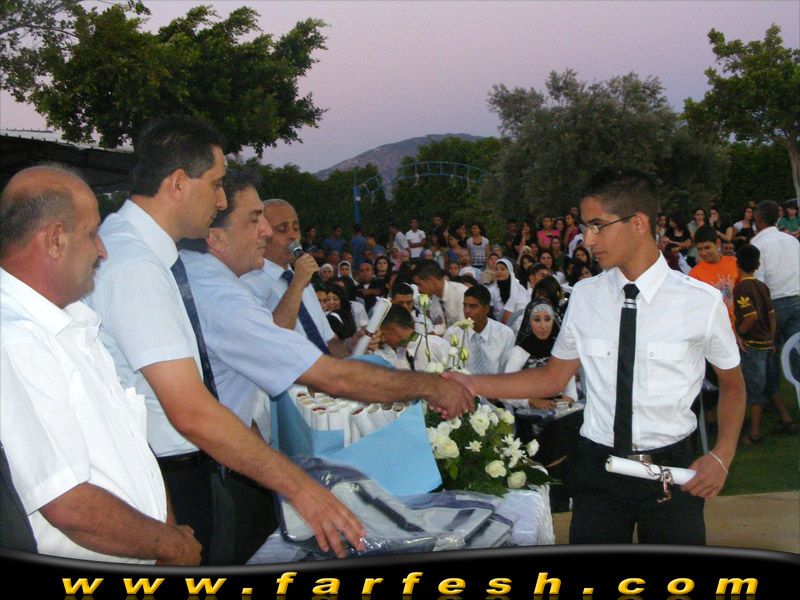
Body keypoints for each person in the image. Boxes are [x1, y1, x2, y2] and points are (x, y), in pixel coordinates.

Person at [85, 116, 363, 564]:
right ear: (178, 183)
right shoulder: (135, 265)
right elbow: (189, 410)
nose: (219, 200)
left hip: (180, 468)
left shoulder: (148, 253)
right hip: (168, 475)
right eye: (215, 184)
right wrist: (301, 489)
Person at [445, 168, 745, 545]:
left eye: (597, 226)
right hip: (597, 470)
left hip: (672, 471)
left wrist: (721, 455)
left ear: (638, 223)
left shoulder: (700, 302)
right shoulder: (585, 296)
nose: (588, 239)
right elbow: (553, 378)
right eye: (585, 227)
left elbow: (733, 386)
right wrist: (470, 383)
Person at [1, 165, 201, 564]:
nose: (103, 250)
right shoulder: (17, 341)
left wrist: (165, 533)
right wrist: (171, 546)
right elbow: (69, 505)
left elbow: (132, 445)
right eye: (92, 233)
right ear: (56, 239)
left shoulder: (71, 321)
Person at [751, 200, 800, 434]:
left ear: (758, 219)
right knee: (796, 354)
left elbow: (757, 283)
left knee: (768, 356)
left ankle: (777, 404)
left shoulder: (758, 244)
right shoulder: (791, 241)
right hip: (796, 299)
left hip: (773, 304)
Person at [732, 245, 785, 446]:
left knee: (754, 390)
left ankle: (754, 433)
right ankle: (786, 418)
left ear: (738, 263)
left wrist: (739, 333)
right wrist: (771, 338)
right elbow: (771, 315)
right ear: (757, 264)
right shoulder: (762, 286)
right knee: (770, 385)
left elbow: (751, 316)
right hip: (767, 343)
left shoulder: (741, 288)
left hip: (753, 345)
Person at [501, 300, 577, 413]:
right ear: (529, 322)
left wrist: (569, 399)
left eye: (547, 319)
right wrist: (530, 401)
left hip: (558, 412)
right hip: (529, 416)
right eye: (537, 320)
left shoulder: (560, 352)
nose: (543, 326)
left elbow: (571, 391)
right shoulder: (520, 352)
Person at [444, 285, 515, 376]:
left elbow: (509, 371)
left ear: (486, 309)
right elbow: (448, 366)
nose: (467, 311)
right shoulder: (453, 333)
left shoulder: (505, 334)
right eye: (465, 305)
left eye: (473, 306)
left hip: (495, 383)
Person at [372, 305, 450, 371]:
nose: (383, 340)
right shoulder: (399, 355)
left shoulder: (437, 345)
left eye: (383, 334)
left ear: (393, 330)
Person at [689, 225, 739, 325]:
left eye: (707, 247)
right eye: (699, 249)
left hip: (739, 323)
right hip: (715, 326)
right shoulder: (694, 274)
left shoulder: (735, 263)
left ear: (717, 244)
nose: (703, 253)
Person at [413, 259, 468, 328]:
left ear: (430, 280)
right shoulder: (434, 298)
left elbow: (465, 327)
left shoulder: (461, 293)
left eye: (419, 284)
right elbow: (440, 325)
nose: (418, 289)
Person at [488, 257, 529, 324]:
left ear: (510, 272)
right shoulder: (492, 289)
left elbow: (523, 309)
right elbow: (488, 311)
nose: (499, 272)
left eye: (502, 269)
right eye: (496, 269)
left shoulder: (519, 289)